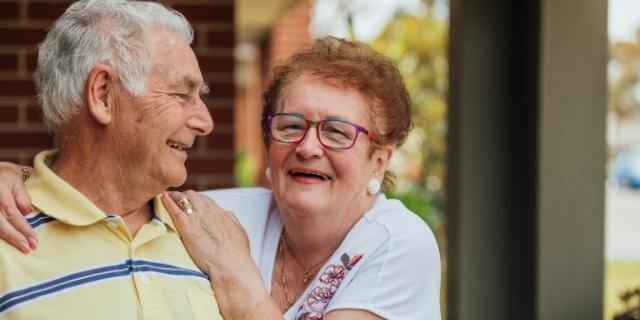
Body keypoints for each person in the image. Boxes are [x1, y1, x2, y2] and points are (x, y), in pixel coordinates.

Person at [0, 37, 442, 319]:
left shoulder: (397, 243)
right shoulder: (232, 211)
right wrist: (19, 176)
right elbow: (115, 184)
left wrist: (240, 282)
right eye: (290, 126)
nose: (309, 147)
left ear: (379, 161)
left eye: (337, 132)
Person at [0, 0, 224, 318]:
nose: (205, 122)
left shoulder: (211, 235)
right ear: (104, 94)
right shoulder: (8, 238)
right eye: (181, 95)